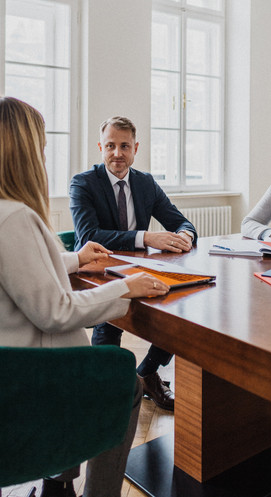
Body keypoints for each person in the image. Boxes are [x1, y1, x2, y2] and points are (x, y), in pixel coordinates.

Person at [0, 97, 170, 497]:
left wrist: (75, 260)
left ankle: (57, 484)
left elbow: (22, 269)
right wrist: (124, 288)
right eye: (40, 145)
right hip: (27, 373)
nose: (44, 153)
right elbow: (55, 314)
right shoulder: (16, 217)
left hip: (13, 359)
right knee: (124, 381)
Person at [69, 116, 198, 411]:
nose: (117, 153)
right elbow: (89, 235)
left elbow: (182, 222)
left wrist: (185, 236)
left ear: (135, 148)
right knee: (110, 324)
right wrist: (145, 238)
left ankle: (147, 374)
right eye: (111, 146)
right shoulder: (83, 183)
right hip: (97, 271)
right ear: (101, 147)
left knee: (180, 312)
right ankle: (106, 388)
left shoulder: (145, 183)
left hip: (138, 269)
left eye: (124, 146)